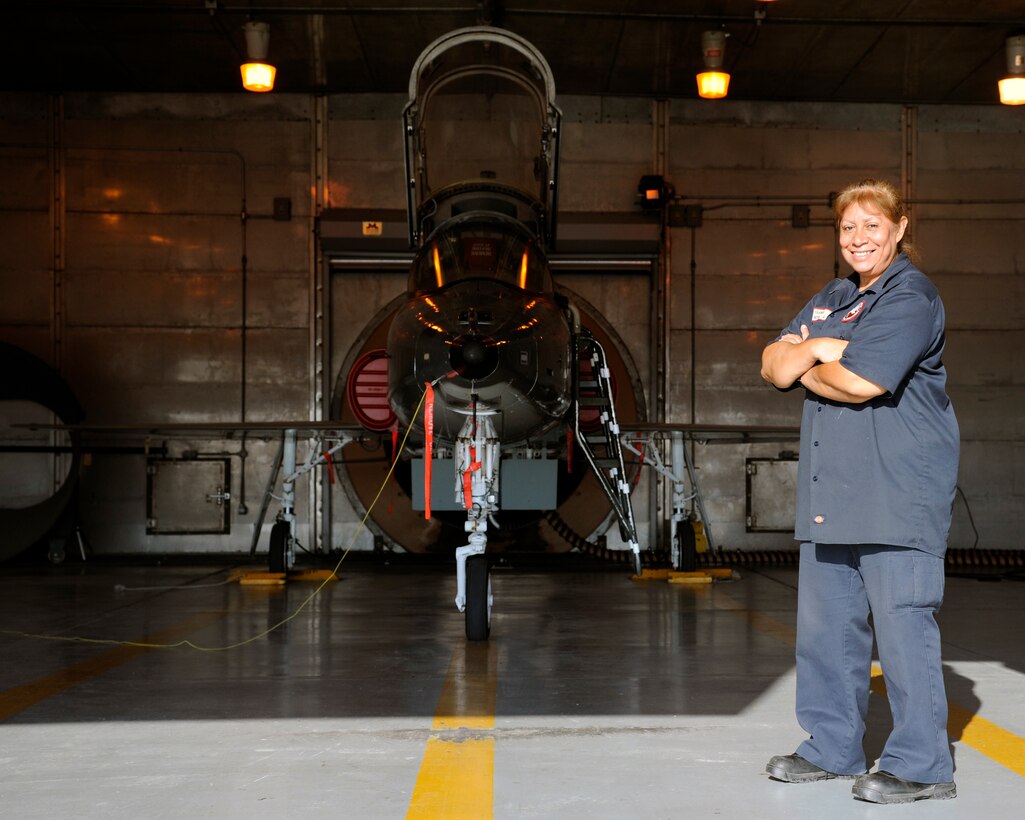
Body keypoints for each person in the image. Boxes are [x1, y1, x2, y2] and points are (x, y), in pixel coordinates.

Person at [759, 178, 960, 804]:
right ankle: (831, 747)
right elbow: (771, 364)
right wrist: (820, 346)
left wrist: (809, 360)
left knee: (903, 630)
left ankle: (923, 766)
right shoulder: (834, 297)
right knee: (827, 634)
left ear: (901, 228)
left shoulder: (910, 297)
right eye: (848, 227)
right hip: (832, 496)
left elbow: (862, 383)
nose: (859, 238)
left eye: (873, 225)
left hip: (896, 493)